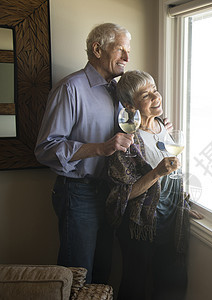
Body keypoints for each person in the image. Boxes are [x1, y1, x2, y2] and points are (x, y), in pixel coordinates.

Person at [35, 23, 134, 284]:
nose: (127, 57)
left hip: (111, 193)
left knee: (103, 273)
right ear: (97, 49)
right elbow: (45, 149)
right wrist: (101, 148)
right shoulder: (70, 89)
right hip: (78, 194)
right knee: (78, 276)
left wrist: (157, 125)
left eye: (128, 51)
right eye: (121, 49)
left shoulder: (119, 92)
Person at [107, 70, 202, 300]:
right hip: (141, 225)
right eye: (145, 95)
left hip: (171, 221)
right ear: (130, 105)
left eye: (155, 91)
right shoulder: (128, 138)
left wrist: (184, 204)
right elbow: (121, 193)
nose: (155, 97)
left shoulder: (162, 126)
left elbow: (172, 175)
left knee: (173, 284)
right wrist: (157, 172)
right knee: (135, 287)